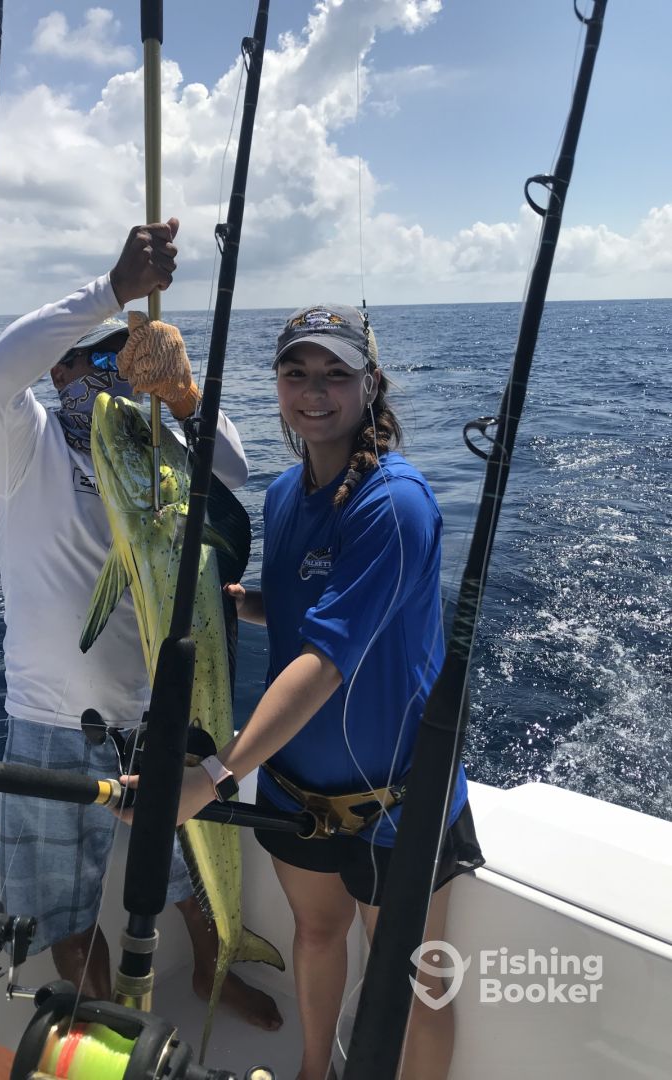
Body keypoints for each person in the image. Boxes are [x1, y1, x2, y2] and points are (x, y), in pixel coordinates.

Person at [169, 305, 484, 1080]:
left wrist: (212, 777)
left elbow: (328, 660)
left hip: (398, 801)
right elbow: (308, 610)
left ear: (370, 384)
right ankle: (315, 1072)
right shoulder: (284, 494)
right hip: (296, 791)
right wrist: (241, 603)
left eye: (336, 374)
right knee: (315, 936)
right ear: (276, 385)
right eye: (297, 372)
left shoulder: (395, 502)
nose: (314, 391)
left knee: (416, 983)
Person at [0, 218, 281, 1030]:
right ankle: (112, 1036)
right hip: (51, 722)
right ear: (58, 371)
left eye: (123, 363)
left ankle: (216, 966)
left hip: (158, 714)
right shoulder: (24, 446)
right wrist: (113, 290)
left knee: (188, 876)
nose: (108, 377)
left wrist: (182, 395)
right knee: (65, 913)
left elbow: (233, 469)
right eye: (91, 360)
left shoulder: (155, 451)